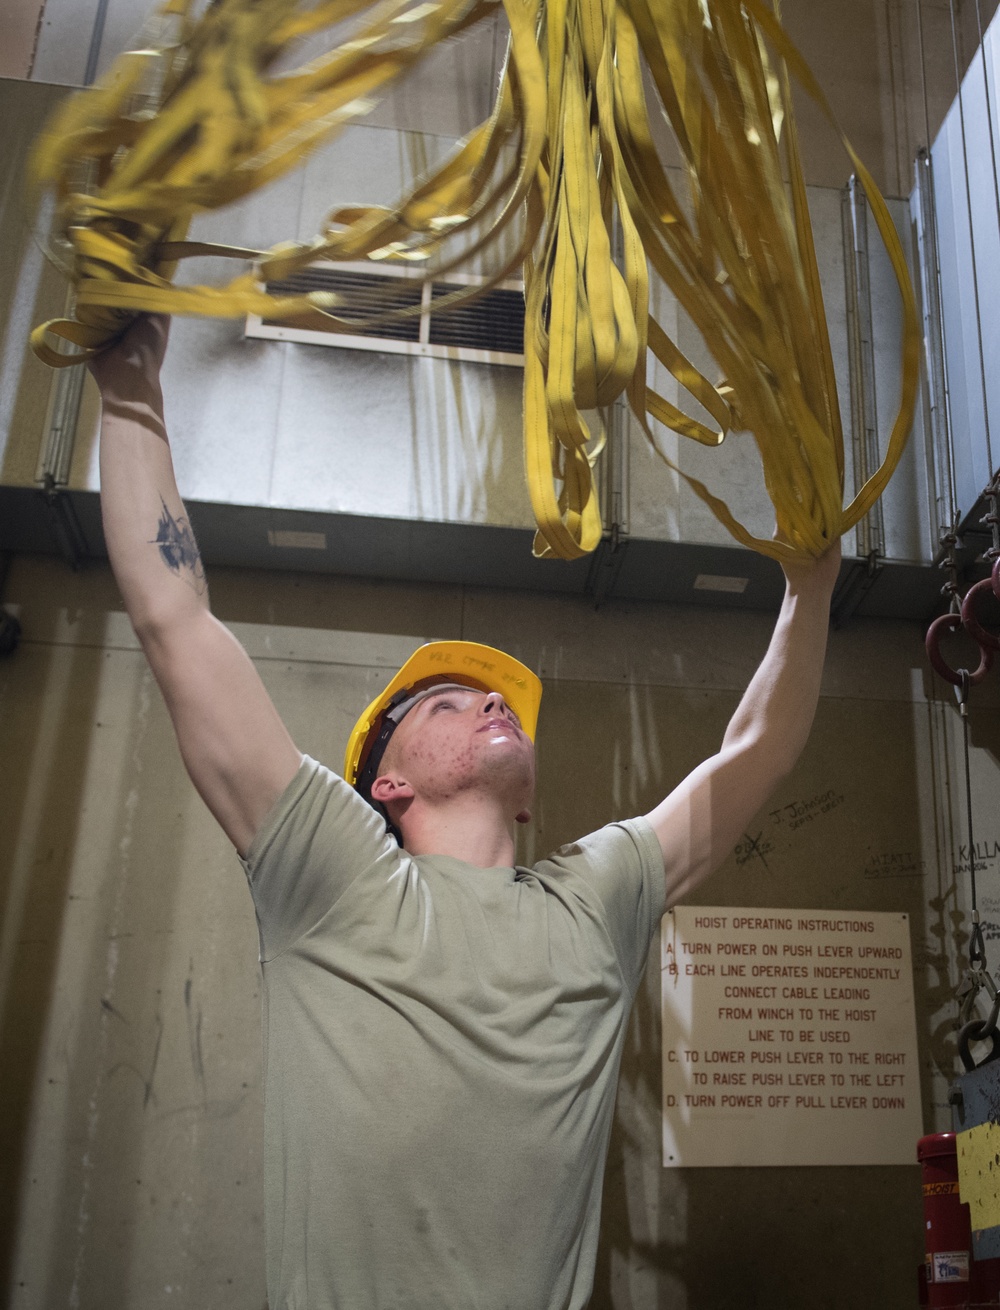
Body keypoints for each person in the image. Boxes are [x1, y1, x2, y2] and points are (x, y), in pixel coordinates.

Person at [88, 313, 841, 1310]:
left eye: (496, 701)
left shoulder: (593, 899)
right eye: (446, 702)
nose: (490, 700)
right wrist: (130, 374)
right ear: (384, 783)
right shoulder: (331, 870)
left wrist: (812, 579)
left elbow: (756, 752)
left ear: (529, 803)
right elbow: (174, 619)